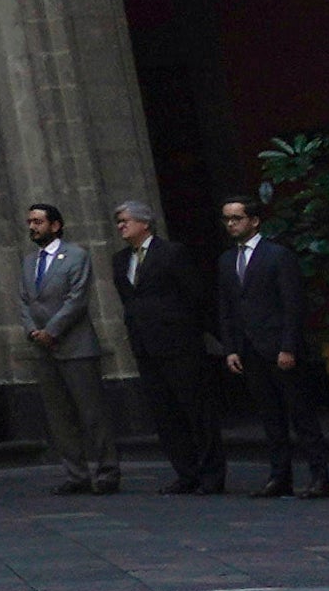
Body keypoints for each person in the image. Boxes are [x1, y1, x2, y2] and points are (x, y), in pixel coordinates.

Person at [218, 197, 329, 497]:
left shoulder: (277, 255)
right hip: (249, 349)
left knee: (301, 414)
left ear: (254, 220)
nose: (231, 224)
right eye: (227, 219)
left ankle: (320, 476)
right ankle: (279, 475)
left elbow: (293, 304)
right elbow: (227, 308)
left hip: (279, 346)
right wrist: (230, 347)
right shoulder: (227, 260)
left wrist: (289, 346)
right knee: (270, 417)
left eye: (237, 218)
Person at [113, 201, 222, 493]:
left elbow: (194, 295)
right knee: (166, 414)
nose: (121, 226)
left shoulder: (172, 253)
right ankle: (185, 472)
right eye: (118, 222)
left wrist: (189, 332)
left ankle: (211, 474)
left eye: (125, 220)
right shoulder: (121, 260)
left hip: (179, 344)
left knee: (196, 410)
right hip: (145, 347)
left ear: (144, 223)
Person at [17, 203, 115, 493]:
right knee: (59, 417)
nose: (32, 227)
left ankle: (106, 472)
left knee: (91, 413)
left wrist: (52, 330)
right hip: (42, 349)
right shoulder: (28, 261)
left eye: (38, 221)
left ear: (55, 225)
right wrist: (32, 331)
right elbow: (24, 300)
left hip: (75, 347)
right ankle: (77, 474)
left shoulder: (76, 255)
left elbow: (77, 298)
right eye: (30, 222)